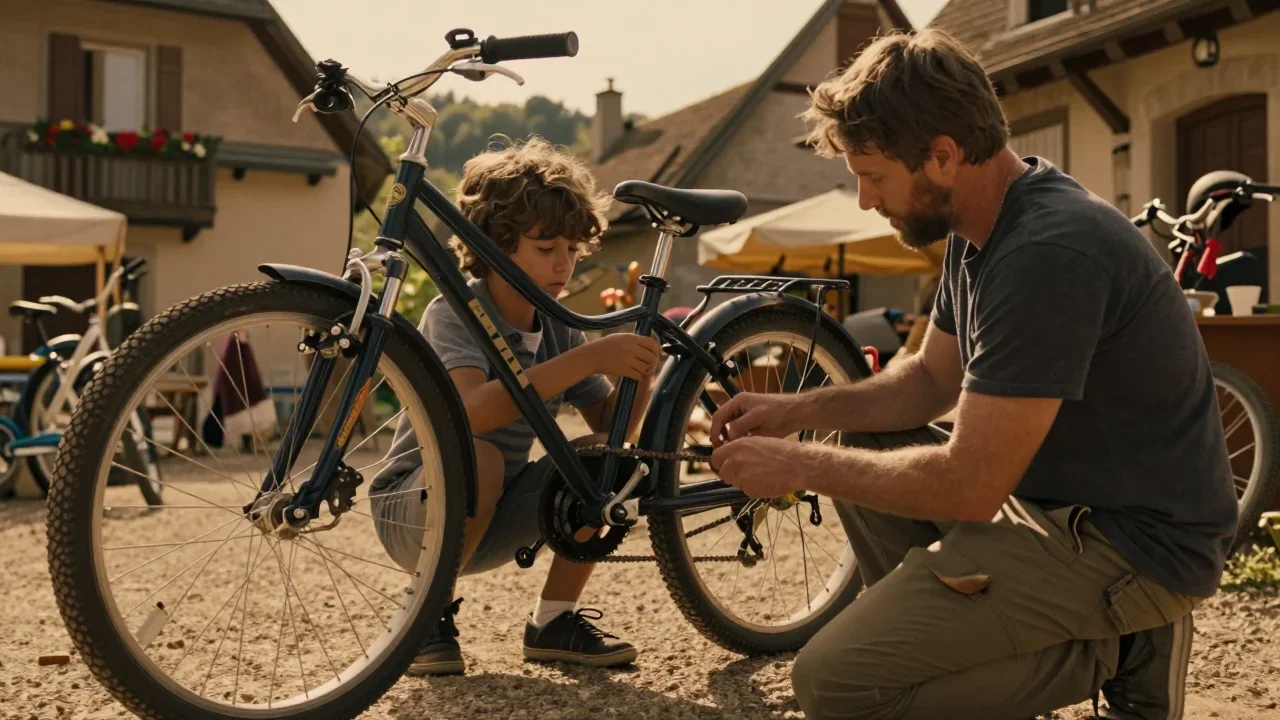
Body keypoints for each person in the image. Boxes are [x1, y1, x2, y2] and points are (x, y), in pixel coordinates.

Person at [708, 29, 1235, 720]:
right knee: (862, 441)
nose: (866, 200)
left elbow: (970, 486)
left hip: (1133, 544)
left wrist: (796, 465)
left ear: (944, 156)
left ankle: (1129, 645)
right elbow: (928, 382)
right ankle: (969, 641)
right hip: (1052, 512)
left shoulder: (1048, 251)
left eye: (873, 175)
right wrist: (799, 412)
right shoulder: (976, 229)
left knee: (835, 686)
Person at [369, 137, 661, 676]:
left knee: (608, 459)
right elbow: (471, 414)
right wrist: (591, 355)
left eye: (573, 250)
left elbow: (611, 429)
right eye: (546, 249)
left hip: (493, 514)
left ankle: (554, 621)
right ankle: (426, 614)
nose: (564, 265)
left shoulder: (557, 326)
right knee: (481, 457)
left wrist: (640, 372)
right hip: (414, 507)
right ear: (497, 246)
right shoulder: (456, 312)